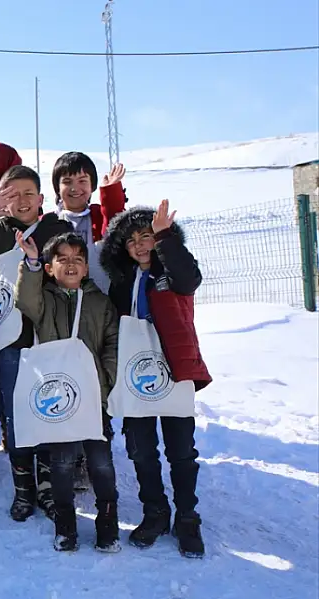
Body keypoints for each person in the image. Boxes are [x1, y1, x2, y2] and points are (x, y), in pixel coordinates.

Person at [0, 165, 73, 522]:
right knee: (14, 416)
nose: (20, 201)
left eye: (27, 194)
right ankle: (23, 488)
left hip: (47, 339)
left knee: (47, 412)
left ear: (40, 198)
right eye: (11, 194)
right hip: (6, 342)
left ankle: (47, 487)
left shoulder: (57, 230)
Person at [100, 201, 210, 558]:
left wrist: (164, 236)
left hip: (175, 370)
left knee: (181, 451)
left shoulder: (173, 275)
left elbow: (190, 277)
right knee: (141, 450)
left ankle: (187, 518)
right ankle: (155, 512)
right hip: (135, 376)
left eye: (146, 236)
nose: (141, 245)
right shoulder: (122, 283)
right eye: (132, 241)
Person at [15, 232, 121, 552]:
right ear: (50, 268)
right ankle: (66, 526)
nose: (71, 264)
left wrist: (104, 382)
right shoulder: (44, 300)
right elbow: (25, 299)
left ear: (87, 268)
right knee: (61, 463)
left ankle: (107, 524)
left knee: (100, 463)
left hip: (93, 397)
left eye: (78, 259)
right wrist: (31, 264)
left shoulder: (101, 303)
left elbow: (113, 344)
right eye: (63, 259)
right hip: (59, 399)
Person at [52, 153, 128, 294]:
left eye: (82, 181)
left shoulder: (99, 215)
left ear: (92, 185)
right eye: (67, 182)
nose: (75, 188)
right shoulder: (49, 221)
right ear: (57, 187)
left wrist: (111, 191)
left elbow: (115, 220)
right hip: (59, 303)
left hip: (100, 299)